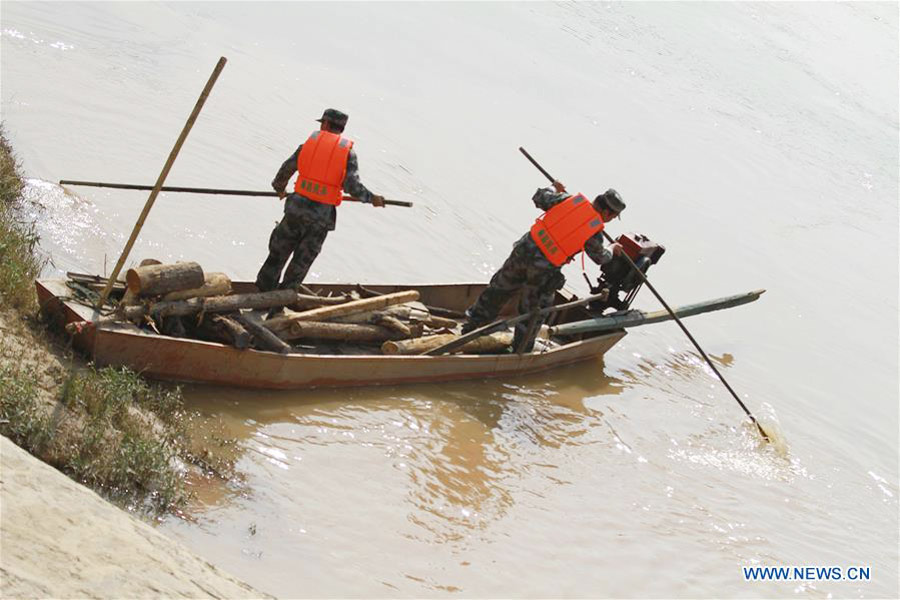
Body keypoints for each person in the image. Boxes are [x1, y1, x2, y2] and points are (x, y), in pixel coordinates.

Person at [461, 181, 626, 353]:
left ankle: (472, 326)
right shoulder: (594, 231)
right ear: (606, 212)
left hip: (523, 252)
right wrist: (612, 249)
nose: (610, 220)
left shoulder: (568, 200)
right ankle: (520, 350)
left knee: (499, 289)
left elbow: (539, 197)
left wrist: (554, 188)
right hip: (543, 270)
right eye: (613, 217)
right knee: (533, 311)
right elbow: (601, 258)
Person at [255, 108, 385, 296]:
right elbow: (352, 186)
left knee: (277, 255)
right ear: (341, 128)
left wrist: (280, 188)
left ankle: (261, 297)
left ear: (325, 124)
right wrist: (372, 198)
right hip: (319, 220)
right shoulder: (348, 153)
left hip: (295, 211)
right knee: (300, 264)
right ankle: (279, 302)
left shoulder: (308, 144)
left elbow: (286, 169)